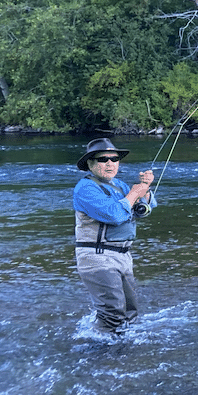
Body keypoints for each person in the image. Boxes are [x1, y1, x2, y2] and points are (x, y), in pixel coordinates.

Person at [72, 138, 157, 336]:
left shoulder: (118, 185)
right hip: (97, 257)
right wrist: (135, 192)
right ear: (91, 164)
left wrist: (145, 189)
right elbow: (114, 215)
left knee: (130, 313)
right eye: (103, 159)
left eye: (114, 158)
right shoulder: (85, 188)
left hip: (123, 256)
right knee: (112, 314)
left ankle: (124, 353)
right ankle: (96, 356)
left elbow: (143, 209)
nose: (110, 163)